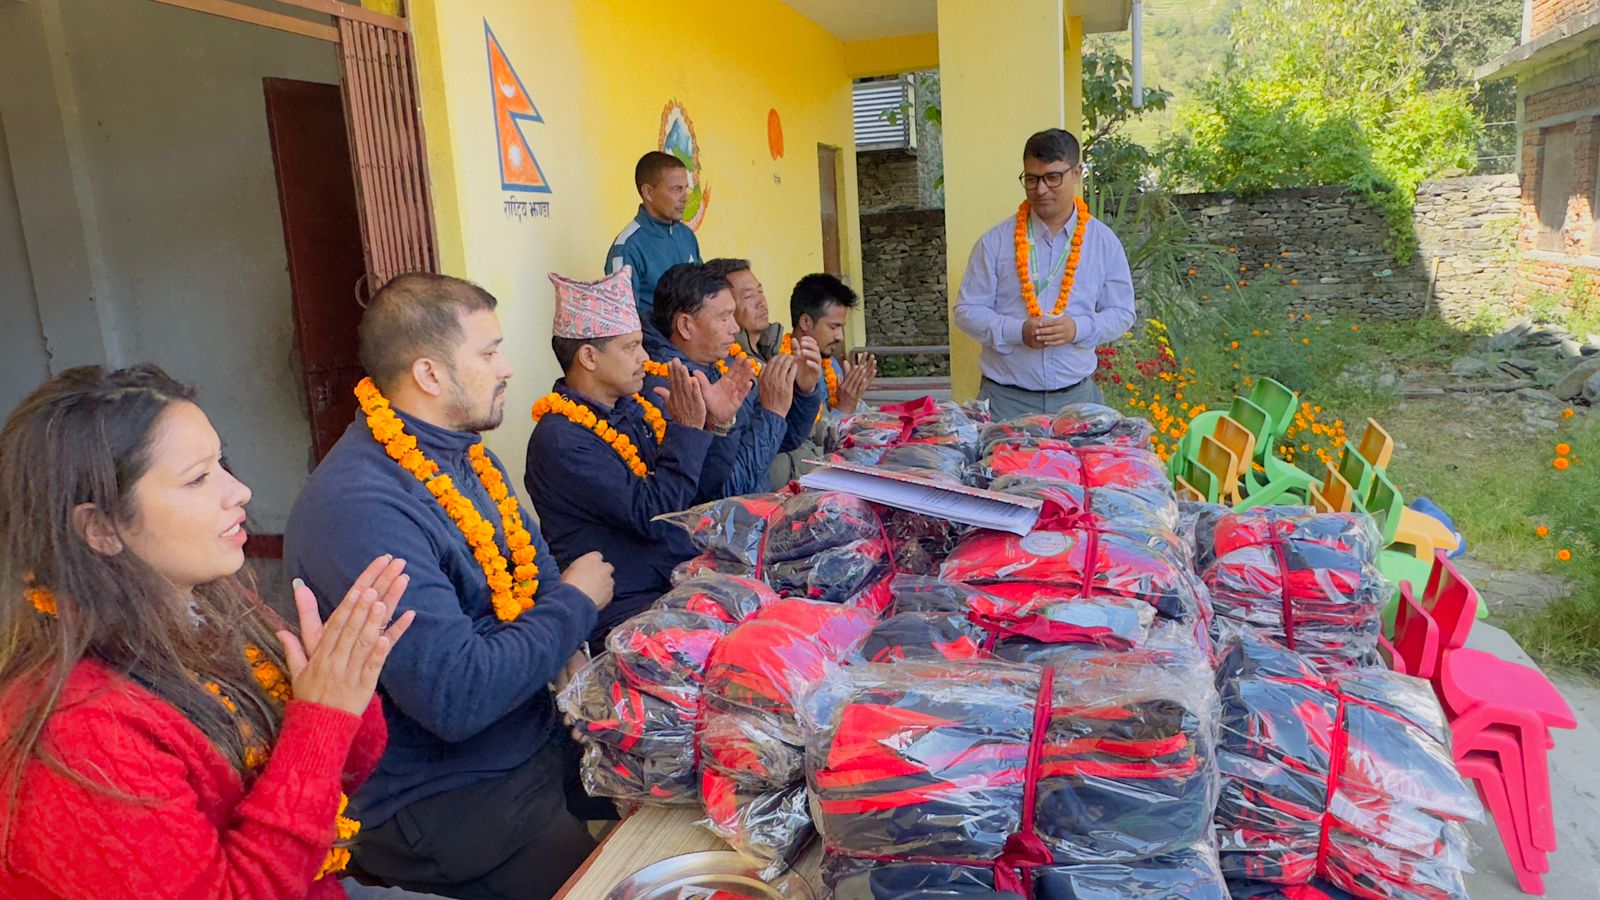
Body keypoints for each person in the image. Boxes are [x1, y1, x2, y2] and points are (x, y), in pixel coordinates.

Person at [0, 364, 422, 899]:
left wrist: (342, 694)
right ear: (101, 528)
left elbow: (344, 777)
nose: (240, 490)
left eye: (222, 463)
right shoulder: (78, 733)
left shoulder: (209, 603)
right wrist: (321, 718)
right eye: (198, 478)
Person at [285, 274, 615, 900]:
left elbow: (537, 573)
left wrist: (568, 653)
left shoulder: (463, 456)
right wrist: (576, 605)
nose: (507, 368)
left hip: (529, 739)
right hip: (447, 797)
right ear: (430, 375)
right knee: (614, 882)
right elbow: (457, 695)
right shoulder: (362, 506)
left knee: (680, 784)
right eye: (489, 352)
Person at [524, 267, 750, 648]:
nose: (645, 358)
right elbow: (654, 516)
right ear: (589, 357)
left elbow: (697, 493)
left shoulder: (632, 410)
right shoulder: (561, 439)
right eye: (631, 347)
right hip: (626, 609)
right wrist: (686, 430)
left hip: (676, 581)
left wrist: (718, 425)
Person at [953, 128, 1135, 421]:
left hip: (1077, 399)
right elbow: (966, 311)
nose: (1040, 189)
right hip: (1005, 401)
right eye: (1032, 179)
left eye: (1052, 177)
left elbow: (1122, 312)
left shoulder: (1103, 242)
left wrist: (1078, 328)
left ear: (1077, 173)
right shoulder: (995, 242)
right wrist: (1017, 331)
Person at [645, 263, 822, 500]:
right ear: (686, 326)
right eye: (724, 317)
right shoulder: (668, 390)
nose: (735, 327)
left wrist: (805, 391)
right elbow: (728, 492)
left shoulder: (724, 364)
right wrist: (772, 413)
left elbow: (784, 440)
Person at [606, 151, 702, 355]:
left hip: (697, 347)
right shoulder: (627, 247)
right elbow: (623, 323)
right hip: (657, 355)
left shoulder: (686, 235)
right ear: (648, 192)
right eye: (676, 189)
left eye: (685, 188)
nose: (685, 197)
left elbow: (703, 296)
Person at [789, 273, 876, 417]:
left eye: (841, 327)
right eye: (833, 327)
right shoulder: (784, 370)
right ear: (805, 322)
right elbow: (805, 430)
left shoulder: (832, 364)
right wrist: (845, 407)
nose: (840, 337)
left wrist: (854, 398)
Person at [707, 258, 782, 364]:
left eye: (760, 291)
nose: (761, 303)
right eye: (748, 296)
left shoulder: (780, 348)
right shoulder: (727, 366)